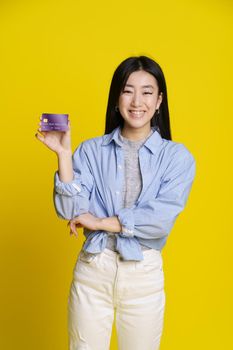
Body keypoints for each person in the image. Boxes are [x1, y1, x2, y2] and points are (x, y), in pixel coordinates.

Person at [35, 55, 196, 350]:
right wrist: (63, 156)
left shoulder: (177, 158)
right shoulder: (91, 150)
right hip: (93, 270)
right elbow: (70, 211)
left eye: (147, 92)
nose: (137, 101)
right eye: (127, 90)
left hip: (143, 275)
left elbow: (159, 220)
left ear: (159, 100)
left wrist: (98, 222)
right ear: (116, 98)